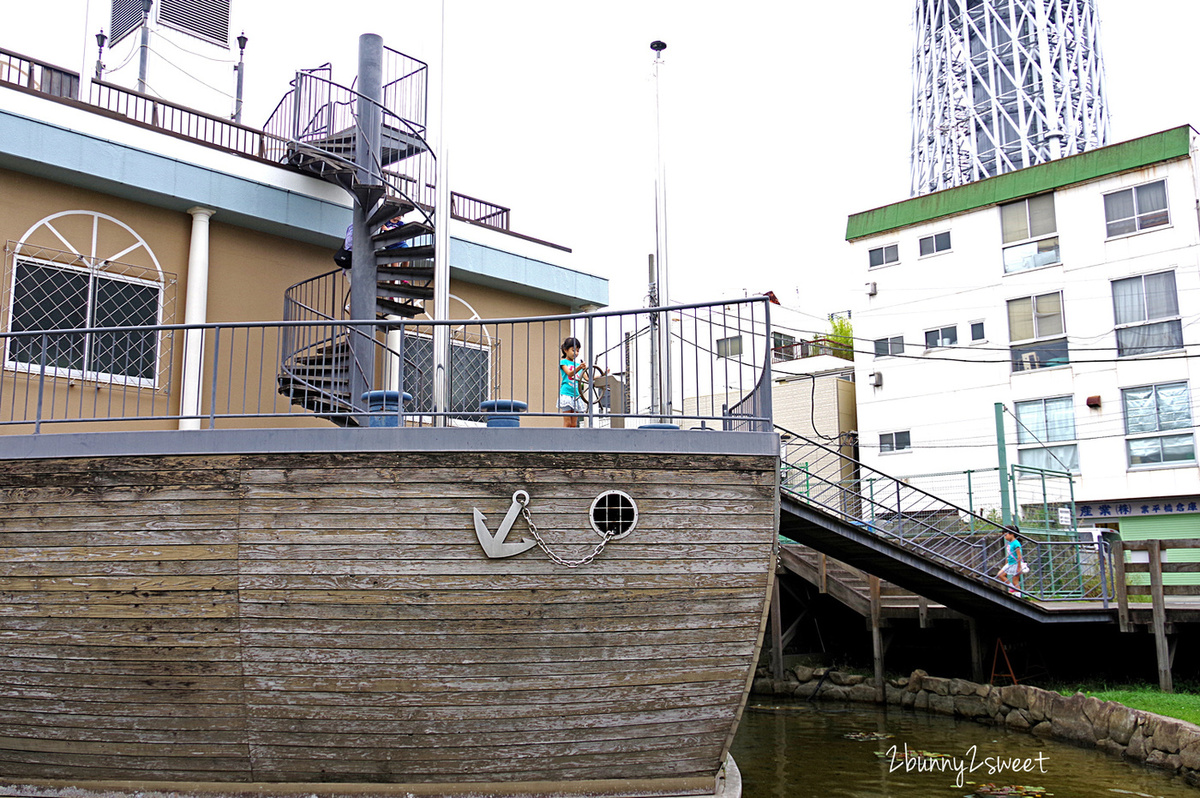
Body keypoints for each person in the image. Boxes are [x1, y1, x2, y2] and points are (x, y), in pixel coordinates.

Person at [559, 337, 590, 427]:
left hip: (576, 395)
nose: (576, 353)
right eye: (573, 350)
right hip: (566, 394)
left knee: (573, 423)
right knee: (567, 422)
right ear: (565, 350)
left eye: (577, 351)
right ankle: (564, 439)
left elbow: (588, 379)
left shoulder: (577, 365)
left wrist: (603, 374)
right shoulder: (563, 362)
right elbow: (569, 373)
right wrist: (580, 367)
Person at [998, 527, 1023, 595]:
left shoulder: (1016, 543)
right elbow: (1008, 554)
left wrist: (1019, 567)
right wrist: (1006, 563)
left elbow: (1019, 556)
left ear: (1011, 534)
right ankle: (1012, 587)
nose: (1005, 537)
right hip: (1010, 563)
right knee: (1000, 574)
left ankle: (1018, 595)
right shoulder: (1009, 543)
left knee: (1015, 581)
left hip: (1015, 564)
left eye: (1005, 535)